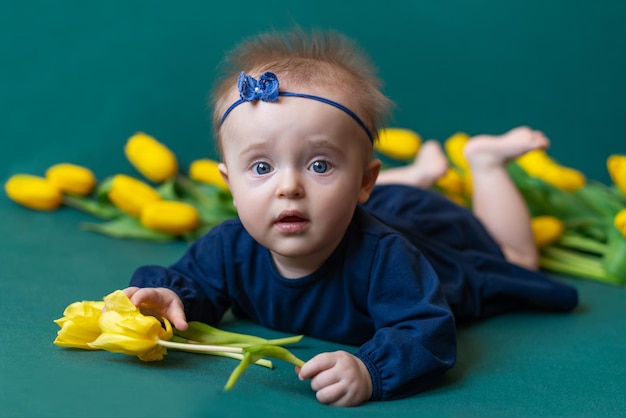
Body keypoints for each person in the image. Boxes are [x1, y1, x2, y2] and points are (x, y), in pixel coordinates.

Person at [122, 28, 578, 406]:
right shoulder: (228, 245)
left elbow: (426, 331)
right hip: (363, 205)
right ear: (230, 184)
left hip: (431, 244)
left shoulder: (386, 259)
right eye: (261, 168)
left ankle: (485, 164)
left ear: (364, 181)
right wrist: (166, 297)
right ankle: (416, 172)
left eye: (319, 165)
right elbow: (193, 287)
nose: (288, 187)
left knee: (517, 261)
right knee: (353, 202)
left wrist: (369, 370)